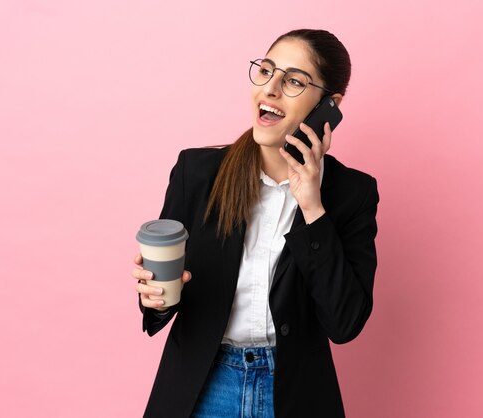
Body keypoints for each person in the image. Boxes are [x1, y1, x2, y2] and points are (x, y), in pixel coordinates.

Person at [131, 28, 379, 418]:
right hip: (204, 387)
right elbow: (161, 300)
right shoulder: (196, 173)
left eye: (294, 81)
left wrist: (312, 208)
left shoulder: (351, 194)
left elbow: (344, 323)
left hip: (294, 393)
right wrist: (155, 297)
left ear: (329, 105)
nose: (271, 88)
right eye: (266, 71)